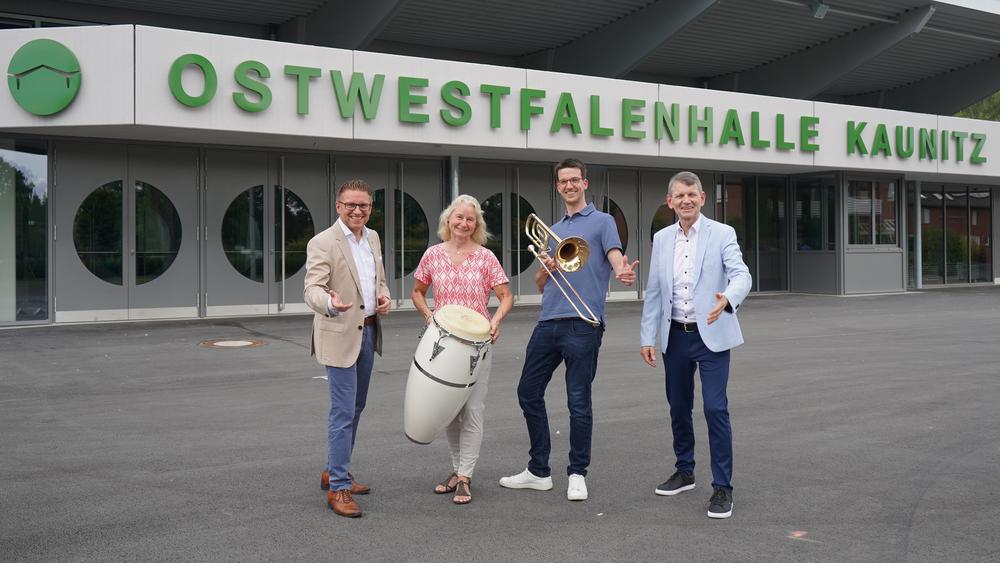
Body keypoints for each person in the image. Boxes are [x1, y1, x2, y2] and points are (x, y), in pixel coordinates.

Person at [499, 158, 638, 501]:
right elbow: (541, 281)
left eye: (575, 179)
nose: (569, 185)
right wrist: (546, 267)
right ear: (558, 186)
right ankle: (538, 471)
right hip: (549, 321)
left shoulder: (603, 221)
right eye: (563, 181)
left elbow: (616, 255)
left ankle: (577, 473)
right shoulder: (554, 228)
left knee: (578, 402)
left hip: (584, 323)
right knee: (527, 392)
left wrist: (622, 272)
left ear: (584, 184)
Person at [639, 171, 751, 519]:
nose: (685, 200)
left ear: (702, 198)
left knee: (715, 409)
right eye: (679, 196)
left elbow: (741, 274)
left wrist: (728, 299)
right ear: (669, 201)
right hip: (675, 335)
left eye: (692, 194)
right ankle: (685, 471)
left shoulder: (722, 233)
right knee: (678, 406)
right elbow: (655, 290)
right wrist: (648, 336)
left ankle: (723, 487)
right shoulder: (661, 239)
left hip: (712, 335)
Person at [411, 194, 514, 505]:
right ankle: (457, 471)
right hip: (442, 345)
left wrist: (495, 320)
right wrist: (429, 316)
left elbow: (506, 296)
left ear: (476, 224)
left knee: (471, 410)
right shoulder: (432, 255)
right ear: (448, 220)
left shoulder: (485, 258)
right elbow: (417, 290)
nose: (464, 224)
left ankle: (465, 476)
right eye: (459, 218)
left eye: (471, 219)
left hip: (476, 345)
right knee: (450, 411)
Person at [304, 179, 392, 518]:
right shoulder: (323, 242)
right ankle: (339, 487)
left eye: (364, 206)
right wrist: (329, 301)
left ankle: (333, 469)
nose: (358, 211)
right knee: (342, 413)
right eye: (351, 205)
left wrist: (383, 297)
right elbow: (312, 287)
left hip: (369, 332)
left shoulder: (372, 237)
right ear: (339, 206)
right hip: (339, 333)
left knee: (356, 407)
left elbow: (378, 279)